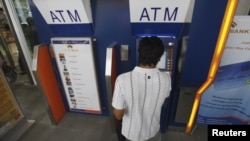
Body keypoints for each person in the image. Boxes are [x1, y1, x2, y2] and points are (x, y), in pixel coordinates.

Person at [112, 36, 172, 141]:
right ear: (160, 57)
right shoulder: (167, 78)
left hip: (131, 134)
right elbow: (163, 98)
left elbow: (118, 115)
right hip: (153, 132)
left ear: (139, 53)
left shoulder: (122, 80)